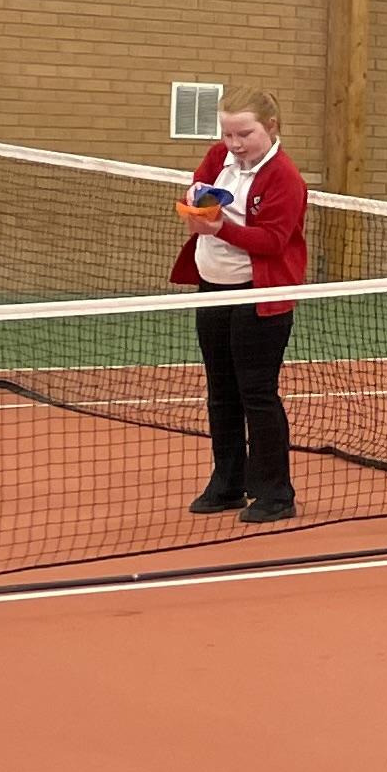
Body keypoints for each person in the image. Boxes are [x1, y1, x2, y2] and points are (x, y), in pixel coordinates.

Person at [168, 91, 307, 525]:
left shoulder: (285, 178)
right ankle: (227, 484)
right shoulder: (218, 156)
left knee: (257, 394)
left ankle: (275, 493)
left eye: (244, 133)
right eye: (228, 134)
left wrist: (220, 228)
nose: (234, 143)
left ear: (272, 127)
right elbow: (200, 187)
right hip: (214, 292)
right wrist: (197, 204)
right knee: (220, 392)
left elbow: (273, 241)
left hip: (257, 298)